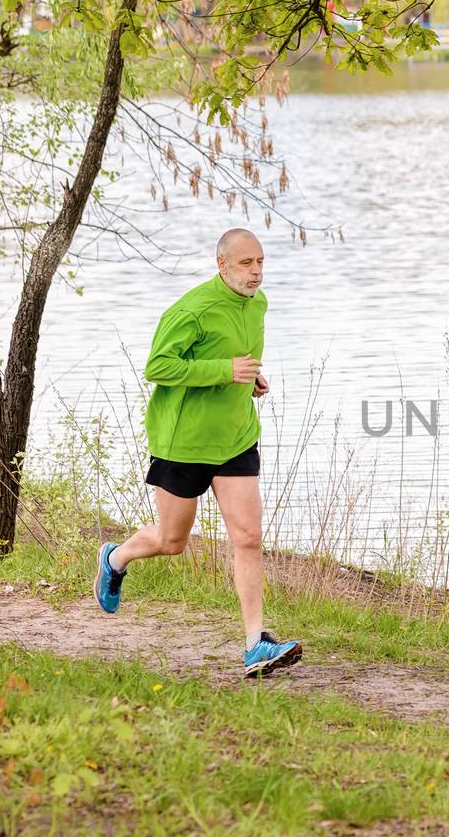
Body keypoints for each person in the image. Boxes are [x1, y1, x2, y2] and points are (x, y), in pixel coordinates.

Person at [93, 228, 303, 679]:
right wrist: (223, 371)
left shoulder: (257, 305)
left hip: (235, 438)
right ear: (221, 265)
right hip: (183, 443)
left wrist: (249, 381)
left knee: (248, 537)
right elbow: (158, 366)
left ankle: (255, 644)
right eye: (247, 264)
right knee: (172, 542)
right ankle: (115, 558)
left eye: (261, 262)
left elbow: (239, 363)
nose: (257, 273)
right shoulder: (193, 309)